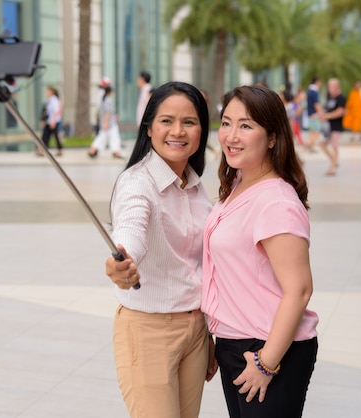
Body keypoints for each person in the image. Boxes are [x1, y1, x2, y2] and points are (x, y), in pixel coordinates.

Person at [202, 85, 319, 418]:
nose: (231, 136)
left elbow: (299, 290)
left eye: (246, 125)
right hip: (236, 344)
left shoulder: (277, 202)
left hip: (269, 349)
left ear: (272, 137)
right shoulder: (238, 184)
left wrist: (267, 363)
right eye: (226, 123)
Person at [105, 81, 218, 418]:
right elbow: (130, 229)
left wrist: (208, 332)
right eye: (167, 120)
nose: (177, 131)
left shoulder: (196, 187)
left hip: (196, 332)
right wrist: (123, 263)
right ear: (149, 127)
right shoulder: (137, 183)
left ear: (202, 130)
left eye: (190, 121)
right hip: (148, 331)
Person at [87, 85, 123, 159]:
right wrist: (106, 123)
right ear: (109, 92)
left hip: (106, 123)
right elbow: (107, 113)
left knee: (102, 137)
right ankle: (116, 152)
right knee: (114, 137)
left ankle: (93, 150)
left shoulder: (104, 99)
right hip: (109, 124)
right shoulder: (108, 100)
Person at [320, 78, 346, 176]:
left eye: (333, 86)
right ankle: (334, 161)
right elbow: (326, 109)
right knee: (322, 144)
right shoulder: (330, 97)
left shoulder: (340, 98)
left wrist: (328, 116)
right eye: (330, 86)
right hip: (328, 127)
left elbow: (340, 111)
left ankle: (333, 167)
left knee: (335, 146)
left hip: (336, 126)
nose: (331, 89)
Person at [38, 85, 63, 157]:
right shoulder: (50, 100)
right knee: (46, 136)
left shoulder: (54, 100)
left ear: (52, 92)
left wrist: (53, 121)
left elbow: (56, 111)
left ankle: (43, 150)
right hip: (50, 121)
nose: (46, 93)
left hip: (53, 121)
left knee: (49, 136)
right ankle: (43, 150)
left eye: (47, 91)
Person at [305, 77, 323, 152]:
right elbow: (316, 103)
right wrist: (321, 112)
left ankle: (311, 146)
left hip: (310, 113)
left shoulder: (309, 91)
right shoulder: (314, 91)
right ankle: (308, 144)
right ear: (317, 82)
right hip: (314, 114)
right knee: (316, 131)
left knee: (312, 131)